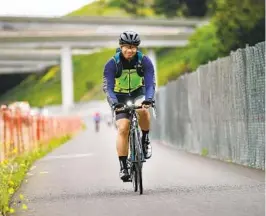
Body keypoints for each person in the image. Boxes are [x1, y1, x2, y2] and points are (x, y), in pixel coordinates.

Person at [103, 30, 156, 181]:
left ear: (137, 48)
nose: (130, 50)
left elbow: (151, 83)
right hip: (119, 97)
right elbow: (108, 87)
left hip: (138, 93)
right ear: (121, 46)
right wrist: (115, 104)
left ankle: (145, 139)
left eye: (133, 47)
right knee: (123, 128)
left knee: (144, 112)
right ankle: (123, 167)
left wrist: (149, 99)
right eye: (126, 46)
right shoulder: (112, 64)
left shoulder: (144, 61)